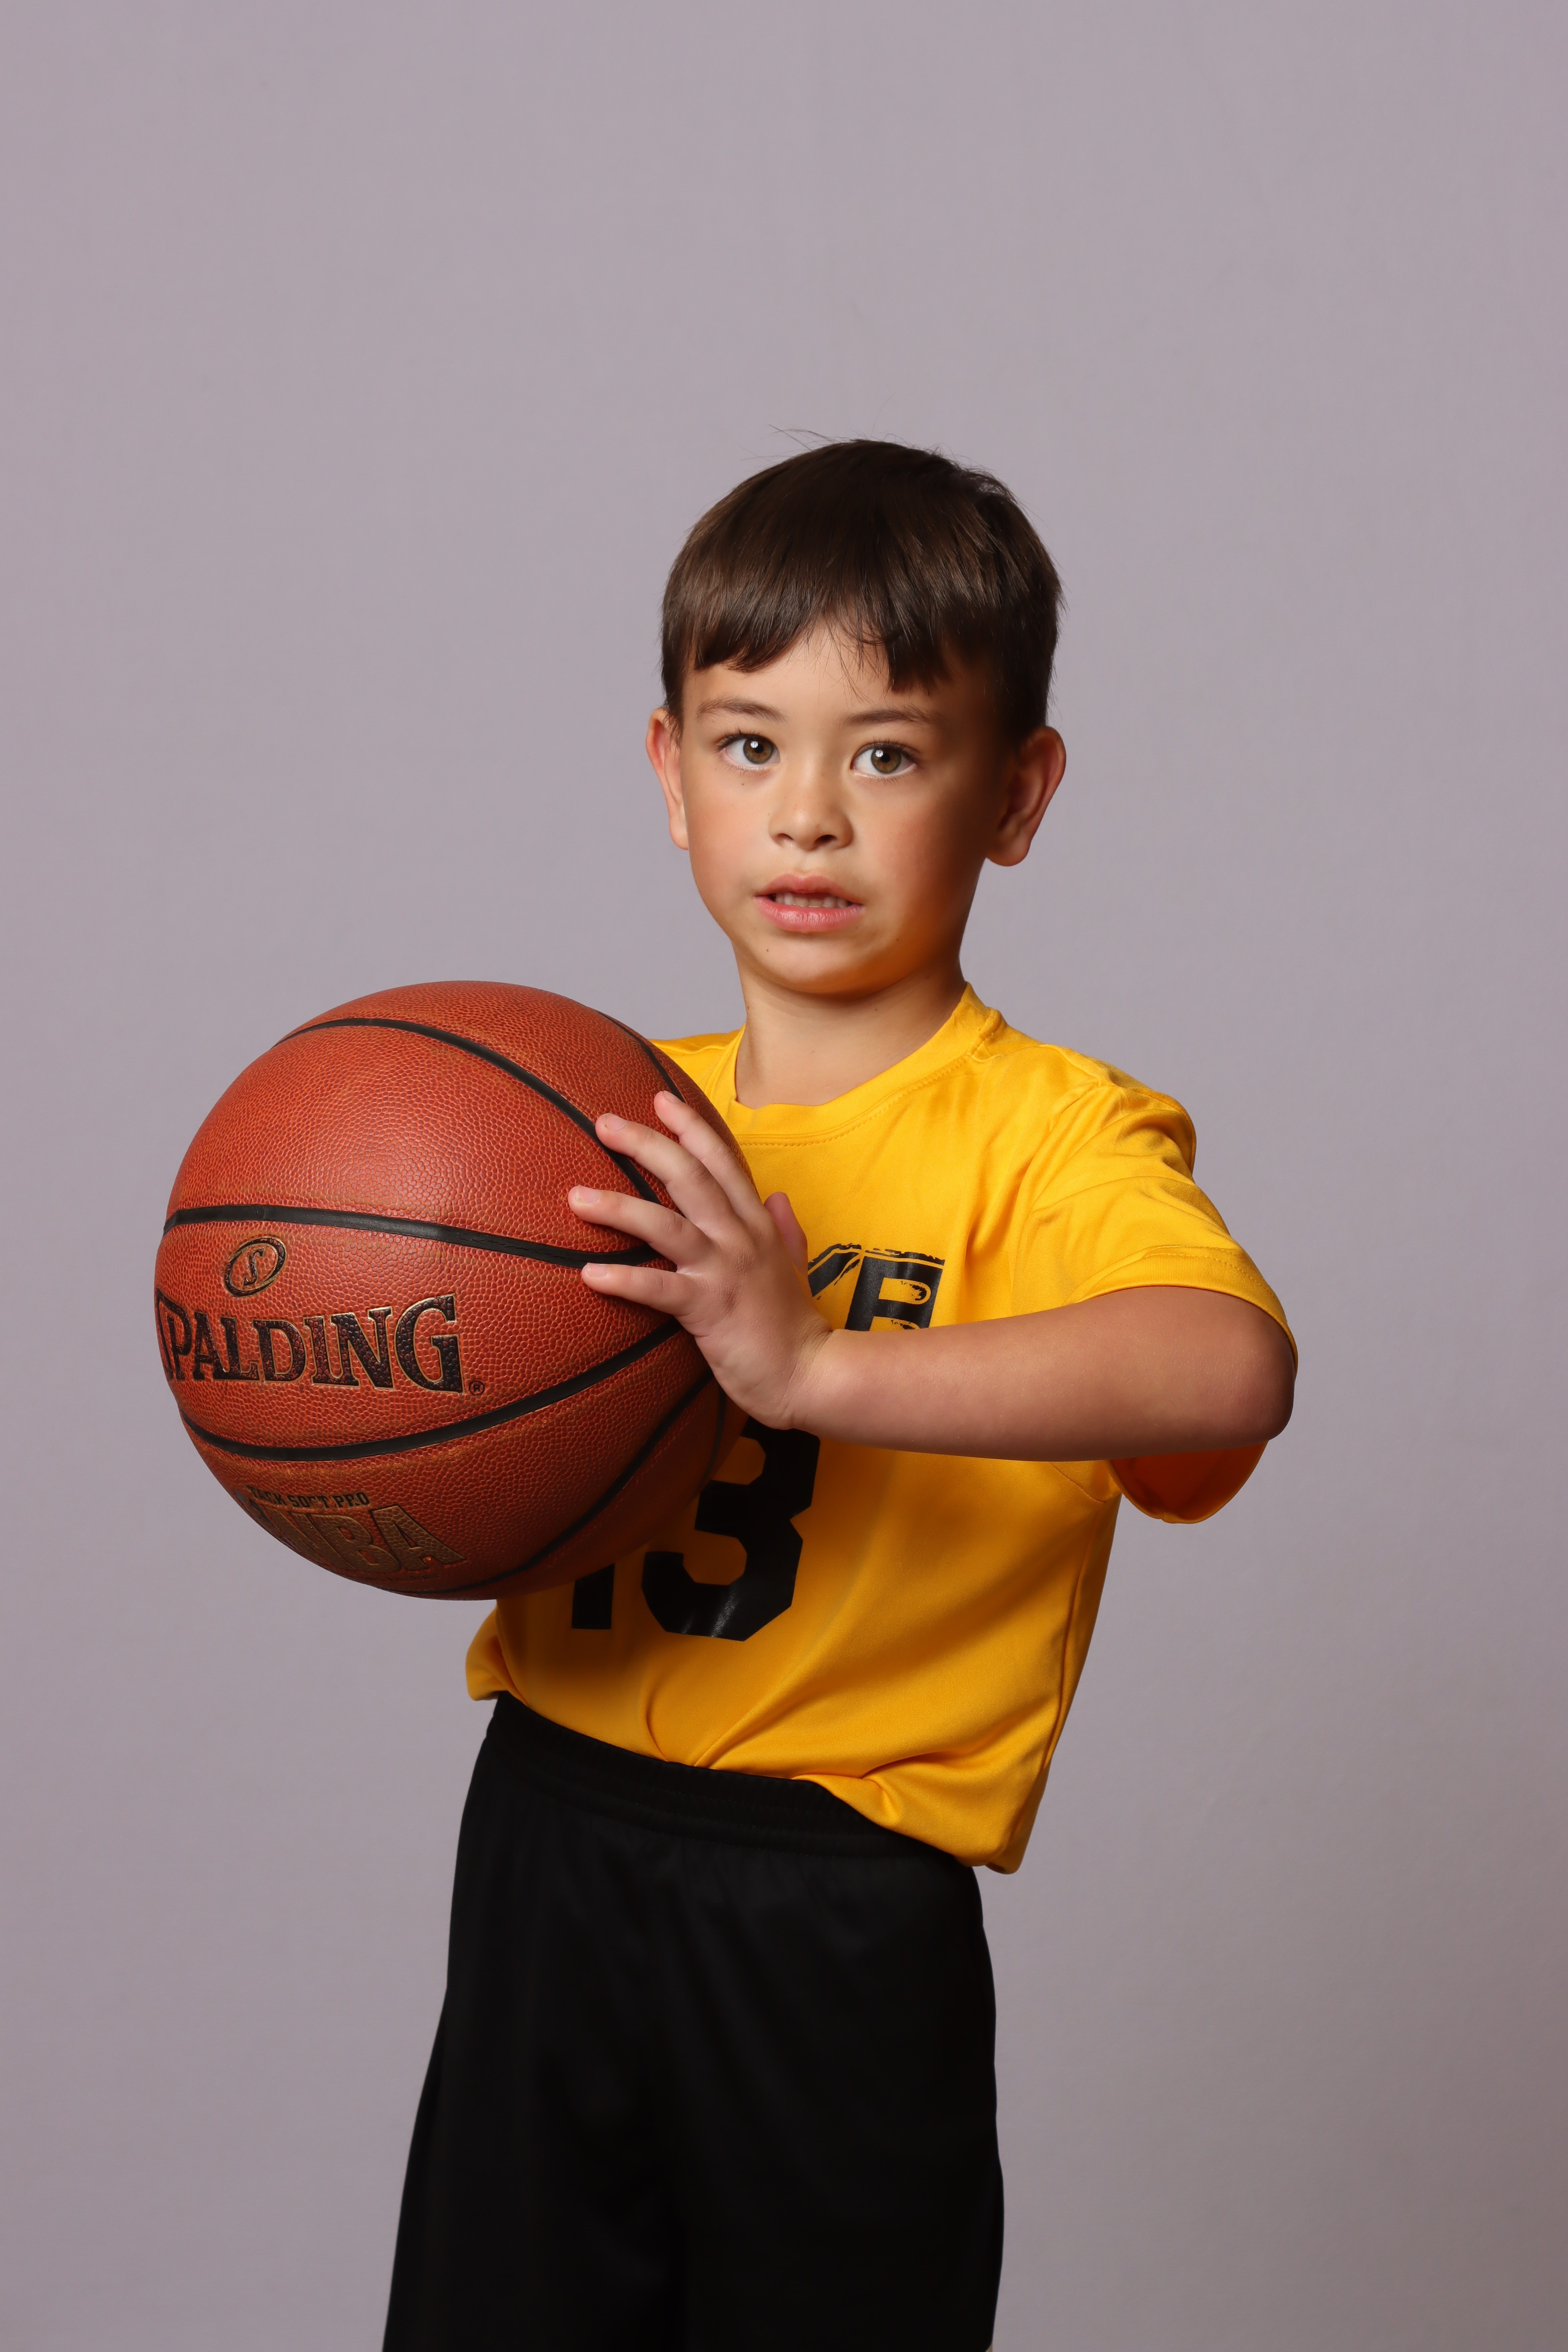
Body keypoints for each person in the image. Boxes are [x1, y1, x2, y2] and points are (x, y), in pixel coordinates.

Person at [383, 440, 1296, 2352]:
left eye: (885, 754)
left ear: (1015, 794)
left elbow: (1228, 1370)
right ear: (670, 775)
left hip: (834, 1894)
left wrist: (808, 1364)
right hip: (545, 1829)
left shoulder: (1054, 1136)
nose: (805, 814)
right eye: (749, 745)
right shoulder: (593, 1116)